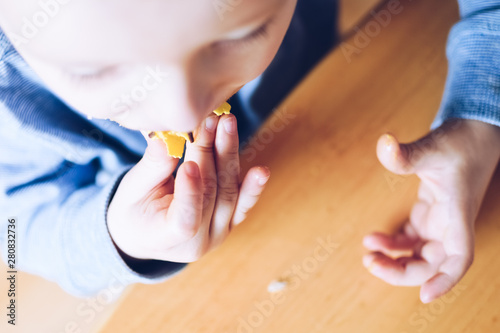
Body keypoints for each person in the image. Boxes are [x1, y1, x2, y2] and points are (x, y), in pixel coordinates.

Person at [0, 0, 498, 305]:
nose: (183, 110)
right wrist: (111, 237)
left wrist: (480, 109)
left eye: (242, 33)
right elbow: (13, 229)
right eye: (95, 69)